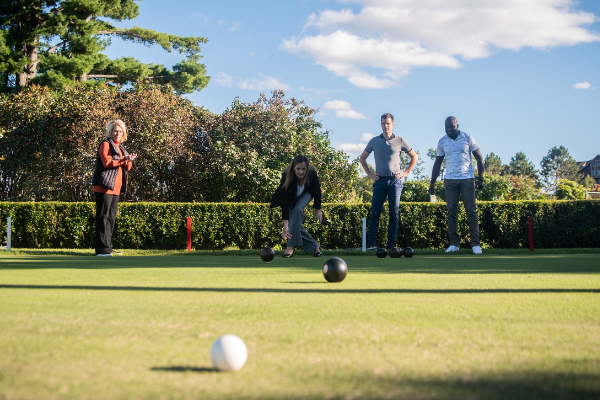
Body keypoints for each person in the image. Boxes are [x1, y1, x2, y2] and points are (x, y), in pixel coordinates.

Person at [359, 113, 418, 249]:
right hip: (379, 182)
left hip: (395, 182)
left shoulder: (400, 140)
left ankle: (391, 244)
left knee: (394, 212)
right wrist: (369, 173)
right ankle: (372, 244)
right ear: (380, 124)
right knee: (375, 213)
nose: (386, 126)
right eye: (383, 123)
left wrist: (406, 172)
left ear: (393, 124)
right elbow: (362, 158)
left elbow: (414, 157)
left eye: (388, 123)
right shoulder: (374, 141)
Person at [428, 116, 485, 255]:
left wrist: (481, 178)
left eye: (452, 127)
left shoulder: (467, 137)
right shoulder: (442, 141)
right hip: (450, 180)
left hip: (467, 179)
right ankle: (454, 244)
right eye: (446, 127)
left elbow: (479, 158)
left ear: (457, 125)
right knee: (451, 211)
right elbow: (437, 163)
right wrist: (432, 183)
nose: (449, 130)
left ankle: (476, 244)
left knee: (471, 211)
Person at [92, 120, 136, 256]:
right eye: (115, 131)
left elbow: (127, 167)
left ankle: (108, 246)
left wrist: (129, 160)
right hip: (104, 186)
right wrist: (123, 160)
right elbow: (107, 163)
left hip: (116, 188)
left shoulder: (121, 148)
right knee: (103, 216)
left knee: (111, 217)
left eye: (120, 131)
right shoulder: (105, 144)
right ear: (110, 132)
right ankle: (101, 248)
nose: (118, 133)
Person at [270, 155, 323, 258]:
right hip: (290, 198)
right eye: (298, 169)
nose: (301, 172)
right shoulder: (287, 175)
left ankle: (290, 247)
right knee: (294, 223)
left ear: (307, 168)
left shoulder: (312, 174)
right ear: (293, 167)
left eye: (304, 169)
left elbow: (317, 190)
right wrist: (285, 225)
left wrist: (318, 208)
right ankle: (315, 246)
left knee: (298, 210)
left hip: (307, 193)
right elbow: (285, 201)